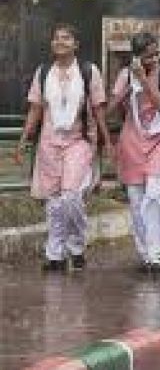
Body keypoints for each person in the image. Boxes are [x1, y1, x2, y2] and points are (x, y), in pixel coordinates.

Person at [14, 23, 113, 271]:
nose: (60, 41)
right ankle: (55, 255)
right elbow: (35, 109)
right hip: (49, 142)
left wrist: (107, 140)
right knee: (54, 202)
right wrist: (24, 140)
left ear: (76, 44)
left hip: (78, 141)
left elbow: (99, 110)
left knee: (71, 196)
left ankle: (77, 246)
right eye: (56, 38)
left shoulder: (89, 71)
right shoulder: (43, 72)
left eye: (66, 38)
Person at [109, 32, 160, 273]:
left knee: (155, 194)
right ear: (137, 56)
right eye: (149, 56)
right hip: (132, 141)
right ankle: (146, 253)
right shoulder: (126, 74)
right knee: (137, 201)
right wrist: (127, 88)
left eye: (157, 54)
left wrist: (144, 80)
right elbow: (110, 108)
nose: (155, 59)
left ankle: (156, 252)